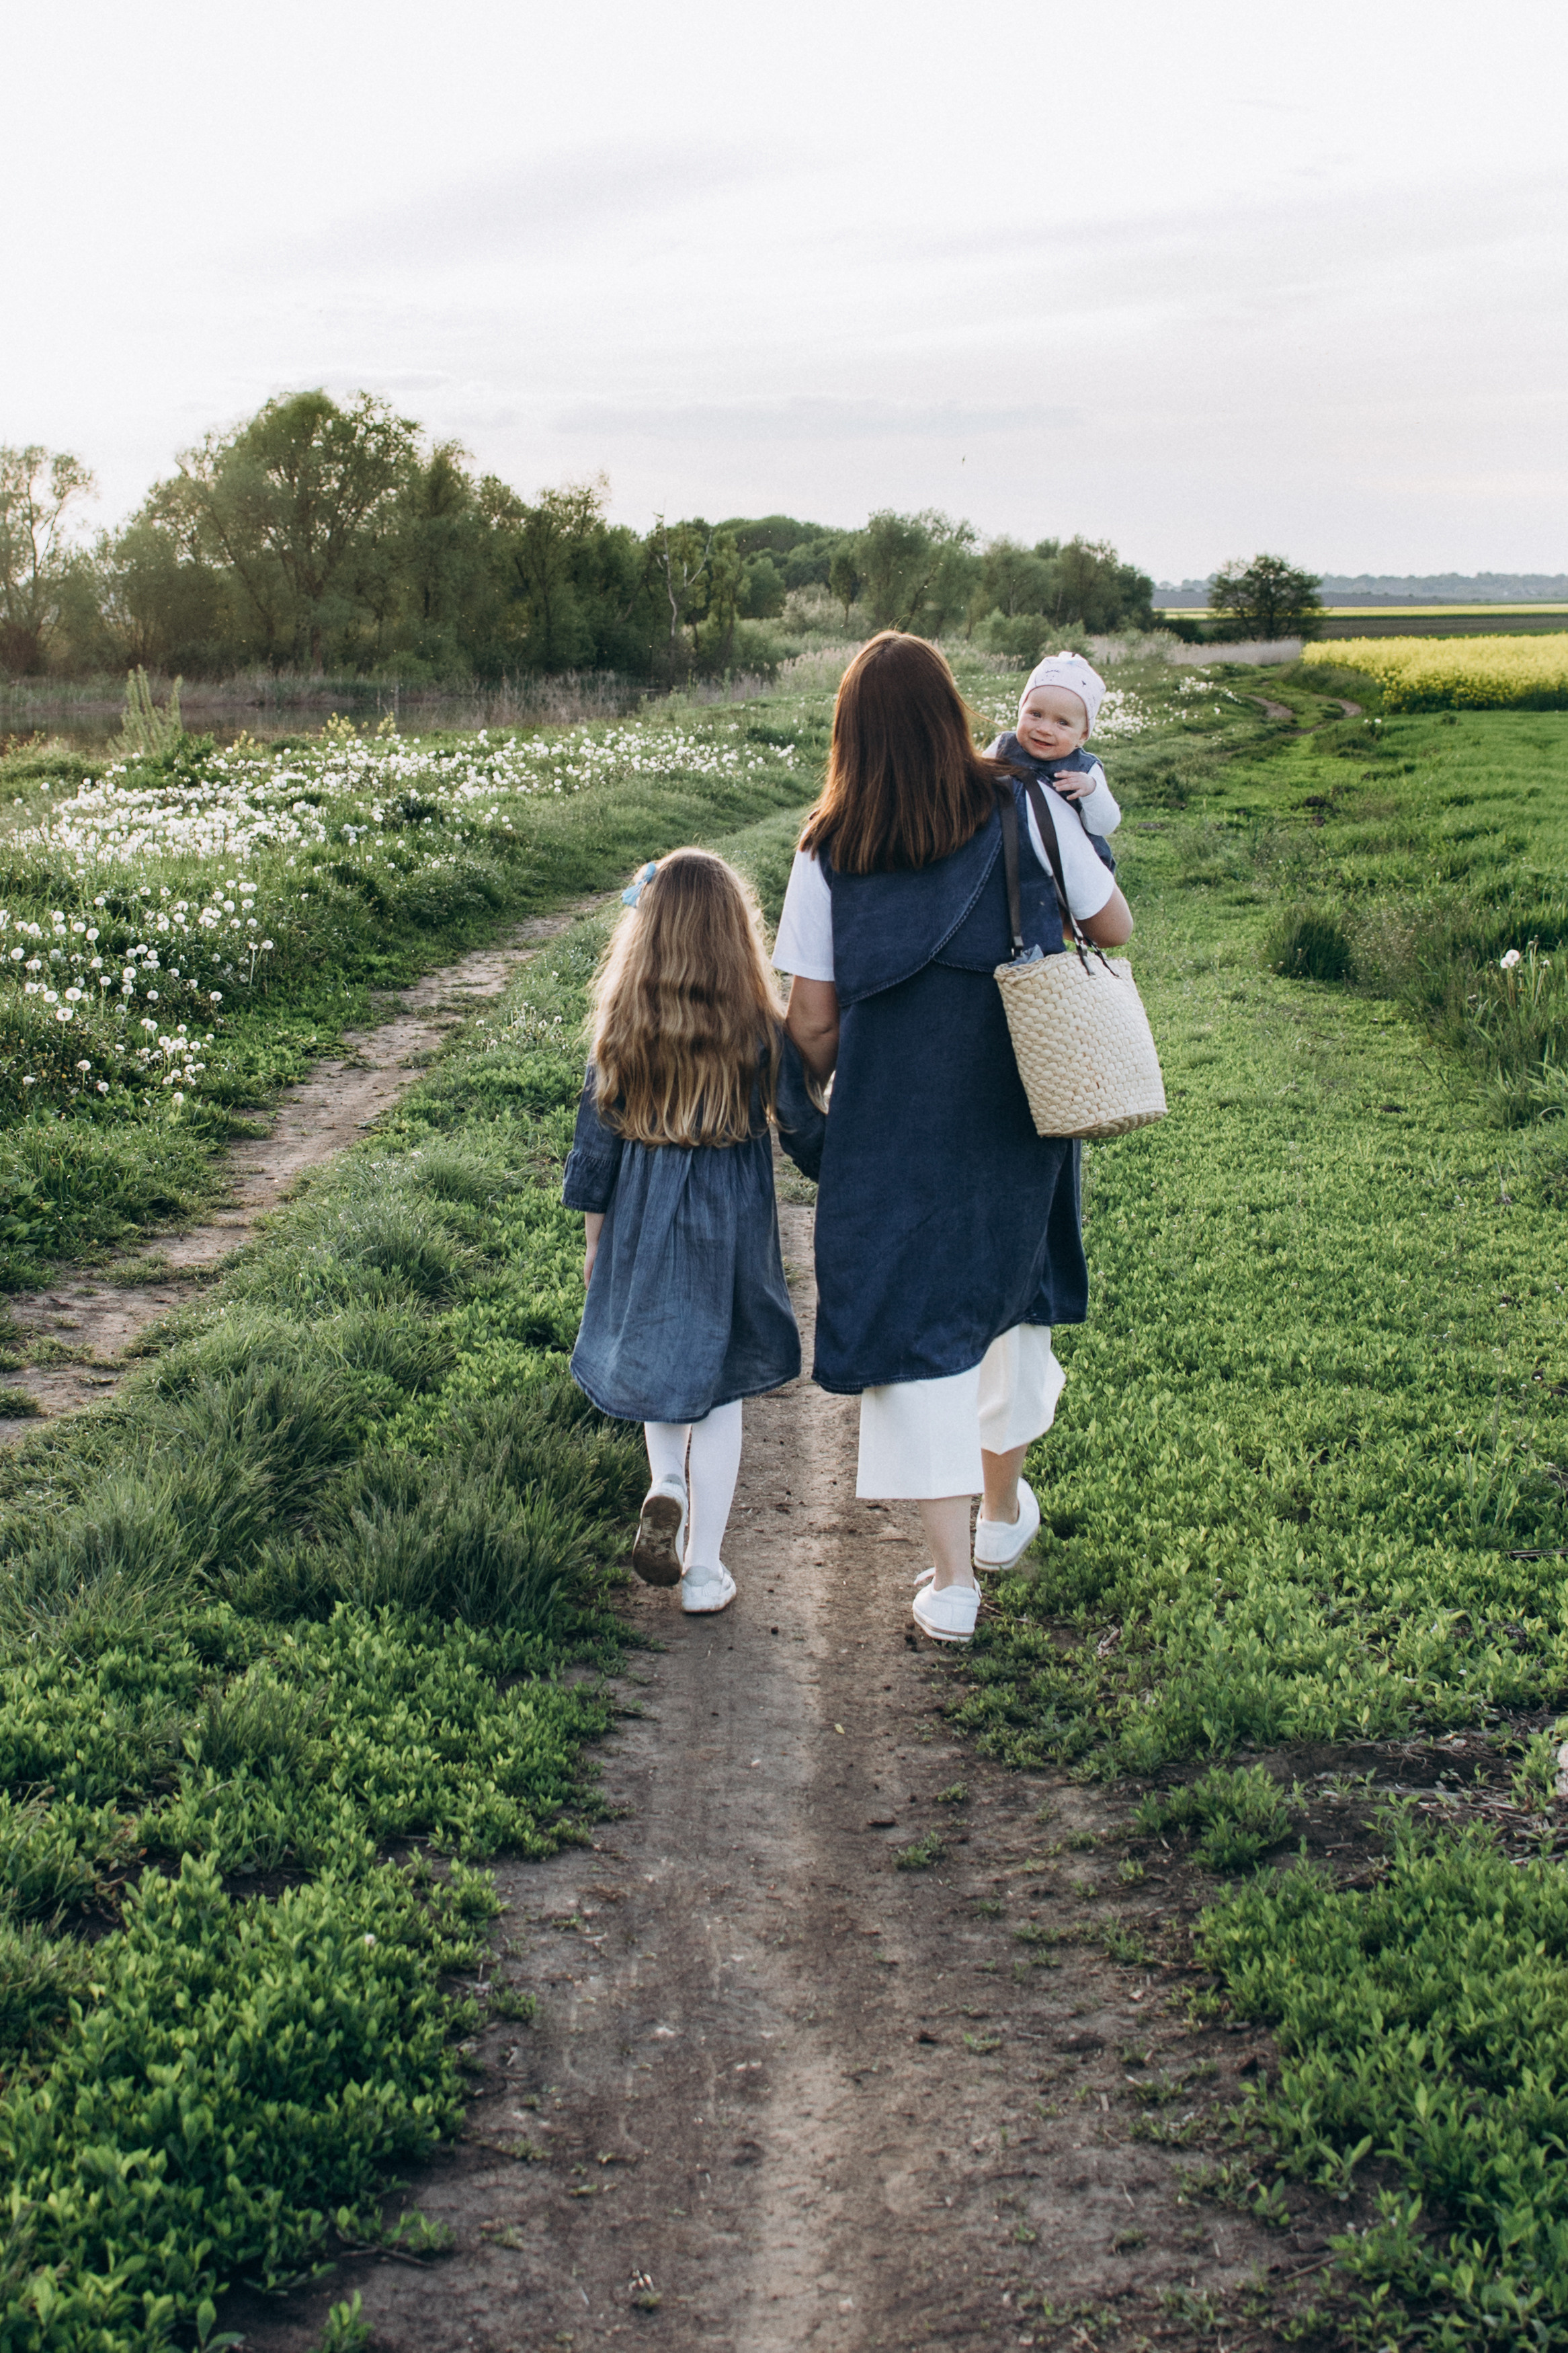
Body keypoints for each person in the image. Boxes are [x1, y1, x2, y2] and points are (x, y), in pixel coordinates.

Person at [773, 633, 1134, 1644]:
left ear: (849, 733)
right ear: (951, 715)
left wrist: (837, 1075)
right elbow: (1112, 926)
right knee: (1008, 1309)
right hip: (1013, 1107)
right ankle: (1001, 1512)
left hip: (891, 1126)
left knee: (913, 1334)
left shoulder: (826, 847)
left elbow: (811, 1021)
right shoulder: (1024, 804)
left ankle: (950, 1582)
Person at [563, 849, 822, 1616]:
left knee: (657, 1362)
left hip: (640, 1220)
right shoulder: (759, 1030)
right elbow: (803, 1127)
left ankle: (666, 1481)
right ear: (735, 937)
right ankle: (704, 1570)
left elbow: (596, 1143)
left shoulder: (623, 1026)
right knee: (721, 1388)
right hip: (728, 1227)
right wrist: (850, 1161)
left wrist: (595, 1241)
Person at [987, 649, 1121, 875]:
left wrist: (1091, 791)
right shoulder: (1003, 747)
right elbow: (974, 783)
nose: (1044, 729)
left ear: (1083, 735)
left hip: (1069, 868)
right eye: (1035, 714)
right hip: (1009, 853)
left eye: (1063, 723)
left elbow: (1105, 825)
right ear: (1020, 711)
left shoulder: (1084, 770)